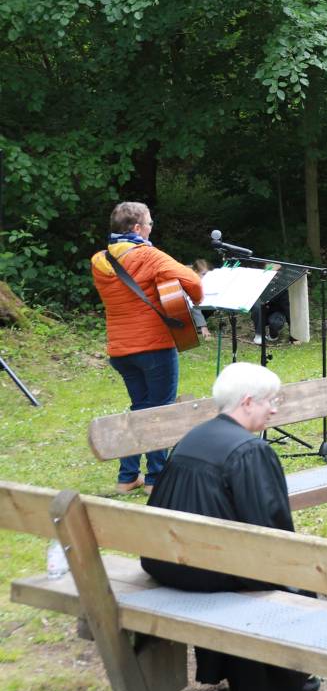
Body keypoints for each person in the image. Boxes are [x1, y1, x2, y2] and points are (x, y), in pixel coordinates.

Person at [141, 363, 322, 691]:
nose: (275, 408)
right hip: (207, 569)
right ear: (248, 401)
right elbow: (271, 530)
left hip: (166, 559)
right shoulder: (250, 450)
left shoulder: (192, 438)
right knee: (287, 573)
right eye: (271, 400)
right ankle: (278, 682)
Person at [90, 202, 204, 494]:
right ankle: (156, 479)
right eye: (150, 223)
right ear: (138, 228)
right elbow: (194, 284)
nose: (152, 228)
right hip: (154, 347)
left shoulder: (98, 261)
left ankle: (127, 477)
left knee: (141, 408)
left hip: (120, 350)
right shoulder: (148, 255)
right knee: (160, 411)